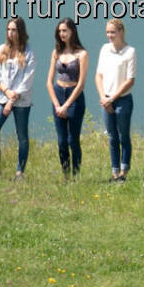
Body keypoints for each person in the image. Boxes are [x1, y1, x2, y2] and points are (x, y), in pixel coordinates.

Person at [0, 16, 35, 180]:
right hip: (2, 98)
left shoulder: (28, 52)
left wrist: (12, 100)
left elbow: (26, 80)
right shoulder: (1, 49)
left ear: (20, 31)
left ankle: (20, 172)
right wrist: (6, 92)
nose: (10, 33)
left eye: (14, 30)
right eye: (8, 29)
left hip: (21, 101)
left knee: (22, 136)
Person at [48, 18, 90, 178]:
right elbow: (48, 82)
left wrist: (66, 105)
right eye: (60, 31)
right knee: (62, 141)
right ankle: (65, 175)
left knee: (73, 139)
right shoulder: (56, 52)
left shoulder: (82, 54)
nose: (62, 34)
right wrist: (57, 104)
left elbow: (81, 84)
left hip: (74, 97)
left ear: (72, 31)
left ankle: (75, 175)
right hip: (58, 94)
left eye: (65, 30)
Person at [97, 18, 137, 182]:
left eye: (113, 32)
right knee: (112, 137)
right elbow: (98, 76)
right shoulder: (105, 49)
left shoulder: (130, 51)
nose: (110, 35)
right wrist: (103, 97)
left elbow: (130, 80)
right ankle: (114, 173)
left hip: (122, 100)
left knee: (123, 136)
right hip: (106, 99)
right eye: (108, 32)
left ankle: (123, 173)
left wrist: (113, 97)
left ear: (121, 32)